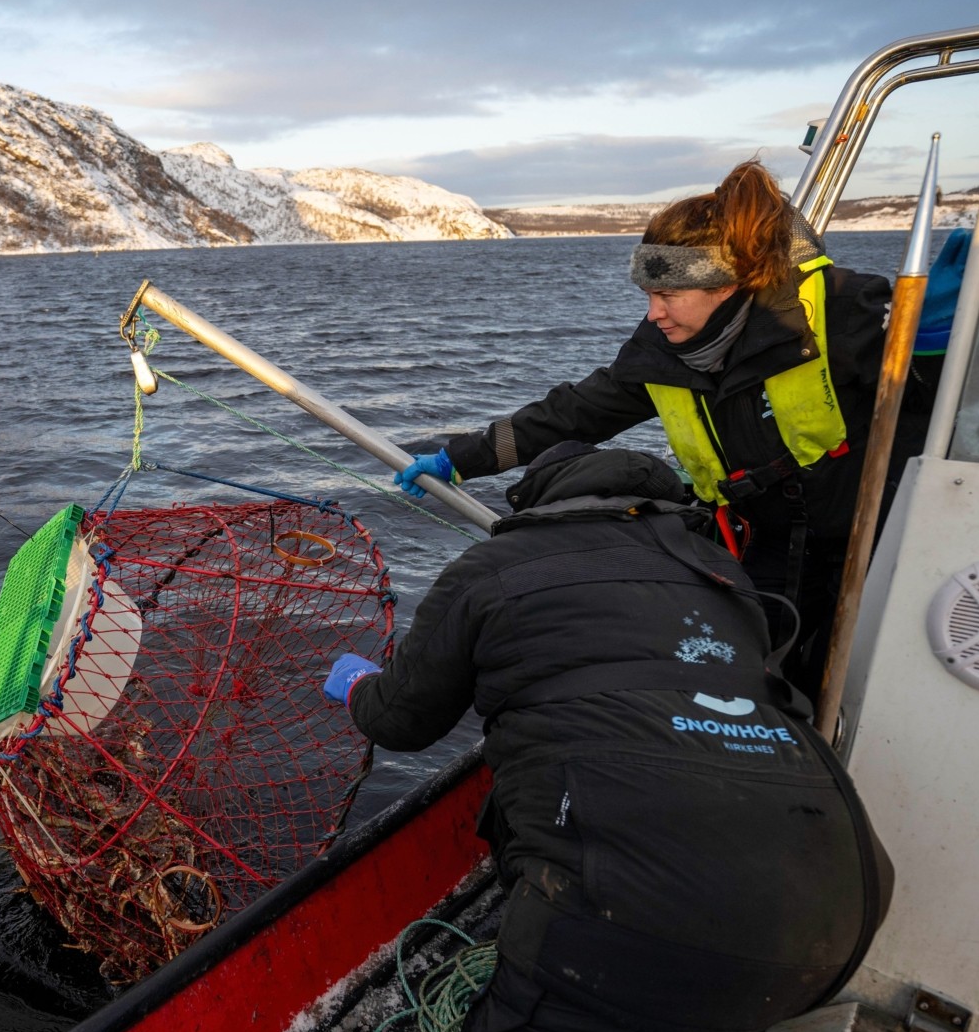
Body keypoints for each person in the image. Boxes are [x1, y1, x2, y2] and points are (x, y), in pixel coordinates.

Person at [323, 444, 892, 1032]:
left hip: (629, 929)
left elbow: (404, 718)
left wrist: (356, 686)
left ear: (535, 503)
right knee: (687, 1004)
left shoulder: (494, 565)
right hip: (839, 907)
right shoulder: (715, 571)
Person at [394, 160, 937, 688]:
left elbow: (950, 405)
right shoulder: (663, 350)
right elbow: (574, 412)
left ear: (725, 286)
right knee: (754, 674)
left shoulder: (843, 315)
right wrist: (458, 460)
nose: (654, 313)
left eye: (668, 296)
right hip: (763, 544)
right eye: (650, 296)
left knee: (859, 678)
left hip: (874, 542)